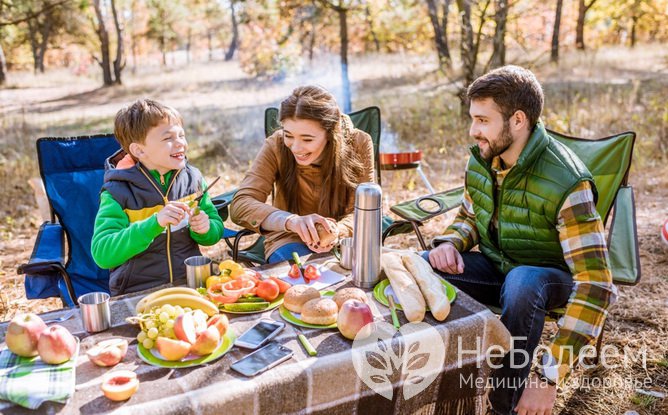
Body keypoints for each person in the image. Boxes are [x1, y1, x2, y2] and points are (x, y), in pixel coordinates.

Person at [423, 66, 616, 415]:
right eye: (472, 119)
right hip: (500, 267)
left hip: (549, 278)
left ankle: (503, 406)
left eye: (482, 120)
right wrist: (449, 243)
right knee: (422, 265)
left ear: (517, 120)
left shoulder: (567, 182)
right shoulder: (483, 159)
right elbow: (470, 216)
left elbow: (597, 285)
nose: (473, 131)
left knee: (523, 282)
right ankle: (437, 390)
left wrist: (549, 375)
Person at [92, 99, 224, 295]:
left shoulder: (192, 180)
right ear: (139, 150)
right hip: (137, 291)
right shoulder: (117, 193)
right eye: (168, 138)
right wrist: (154, 223)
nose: (180, 142)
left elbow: (214, 231)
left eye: (181, 135)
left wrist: (205, 229)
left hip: (189, 283)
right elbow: (103, 253)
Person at [230, 85, 374, 263]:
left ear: (331, 134)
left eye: (307, 139)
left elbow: (366, 210)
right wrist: (291, 221)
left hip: (346, 242)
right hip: (289, 239)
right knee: (298, 279)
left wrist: (338, 230)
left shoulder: (359, 143)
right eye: (289, 135)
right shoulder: (276, 144)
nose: (296, 148)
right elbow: (241, 204)